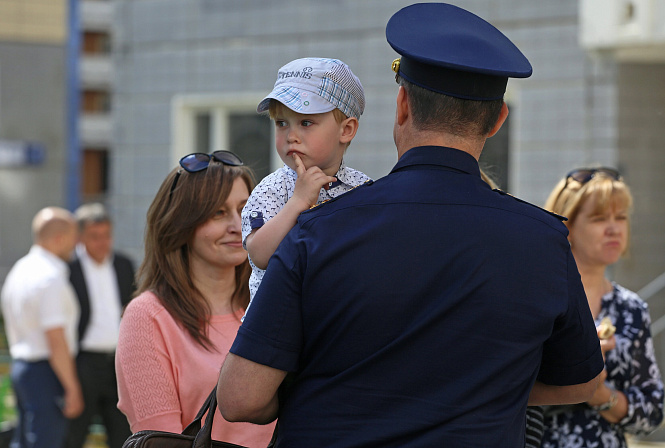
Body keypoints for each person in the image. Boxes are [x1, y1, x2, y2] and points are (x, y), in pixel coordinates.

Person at [217, 3, 604, 447]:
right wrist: (482, 394)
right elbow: (583, 384)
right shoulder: (544, 242)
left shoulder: (315, 230)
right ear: (498, 121)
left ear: (402, 105)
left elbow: (241, 398)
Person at [115, 151, 275, 448]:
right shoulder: (148, 317)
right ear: (181, 224)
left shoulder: (272, 305)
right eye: (218, 213)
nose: (236, 224)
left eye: (244, 209)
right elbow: (161, 441)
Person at [540, 167, 664, 447]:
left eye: (620, 217)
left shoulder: (631, 308)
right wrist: (573, 370)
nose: (614, 228)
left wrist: (602, 395)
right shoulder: (538, 300)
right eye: (599, 218)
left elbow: (654, 412)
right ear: (566, 226)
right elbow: (504, 395)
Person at [242, 57, 371, 313]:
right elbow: (259, 255)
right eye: (281, 123)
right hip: (275, 327)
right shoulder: (273, 188)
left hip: (336, 325)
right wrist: (298, 203)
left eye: (306, 123)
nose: (291, 136)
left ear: (346, 130)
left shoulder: (363, 189)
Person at [1, 207, 83, 448]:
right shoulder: (50, 278)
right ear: (59, 238)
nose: (75, 243)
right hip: (46, 371)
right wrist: (72, 387)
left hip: (22, 368)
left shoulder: (20, 270)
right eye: (73, 237)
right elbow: (55, 338)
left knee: (24, 441)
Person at [65, 203, 134, 448]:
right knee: (74, 434)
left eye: (106, 235)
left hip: (118, 363)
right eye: (94, 237)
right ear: (80, 237)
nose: (102, 243)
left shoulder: (124, 264)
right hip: (83, 364)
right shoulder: (68, 270)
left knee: (123, 434)